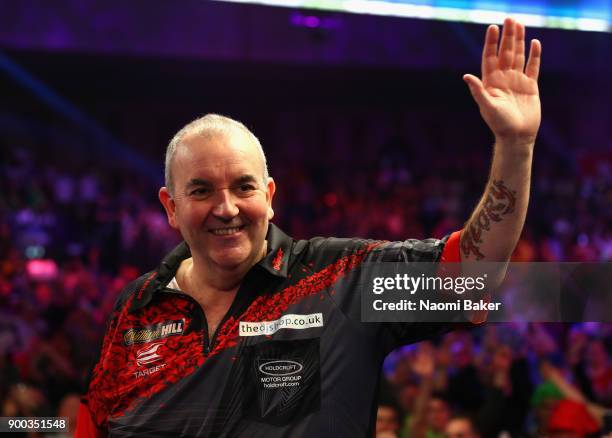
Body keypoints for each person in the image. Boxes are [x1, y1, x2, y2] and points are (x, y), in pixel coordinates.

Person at [76, 17, 542, 437]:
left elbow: (472, 273)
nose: (226, 208)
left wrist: (515, 144)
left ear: (270, 197)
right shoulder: (136, 308)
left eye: (243, 187)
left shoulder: (341, 278)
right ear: (170, 206)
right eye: (201, 192)